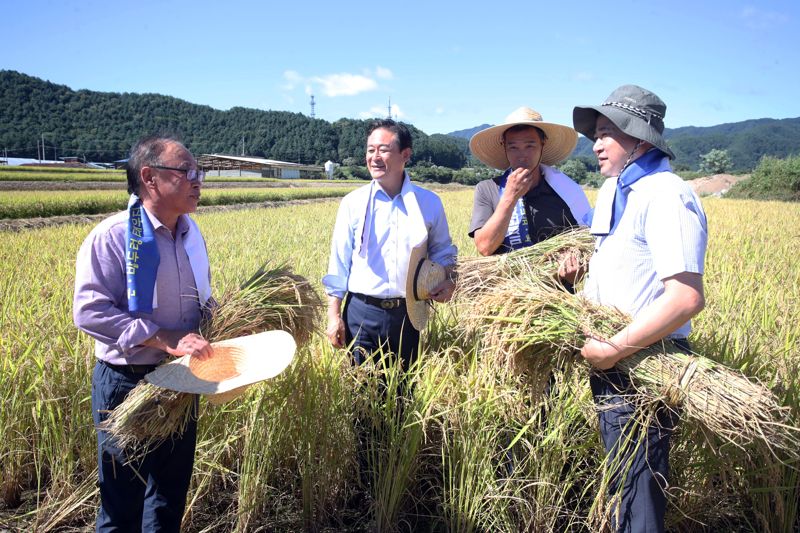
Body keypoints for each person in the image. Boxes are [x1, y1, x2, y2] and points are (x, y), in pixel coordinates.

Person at [572, 85, 708, 532]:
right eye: (596, 133)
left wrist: (613, 347)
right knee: (624, 485)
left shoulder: (667, 194)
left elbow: (686, 297)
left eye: (607, 132)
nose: (595, 144)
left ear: (640, 140)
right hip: (613, 363)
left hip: (643, 363)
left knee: (640, 491)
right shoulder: (614, 190)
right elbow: (619, 265)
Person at [73, 134, 215, 532]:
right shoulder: (115, 236)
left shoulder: (191, 234)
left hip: (182, 378)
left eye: (198, 172)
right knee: (122, 507)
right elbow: (89, 311)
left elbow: (202, 298)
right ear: (150, 177)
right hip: (128, 383)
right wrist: (162, 336)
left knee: (169, 499)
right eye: (186, 172)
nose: (197, 180)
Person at [323, 119, 457, 368]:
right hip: (361, 312)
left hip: (408, 313)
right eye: (370, 149)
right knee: (362, 396)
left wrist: (448, 281)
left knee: (403, 395)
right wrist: (334, 315)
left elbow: (443, 252)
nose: (374, 157)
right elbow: (338, 262)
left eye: (383, 150)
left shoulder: (428, 202)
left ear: (405, 154)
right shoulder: (353, 203)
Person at [467, 107, 591, 271]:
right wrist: (510, 197)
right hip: (503, 292)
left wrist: (574, 271)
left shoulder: (565, 192)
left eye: (530, 146)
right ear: (504, 147)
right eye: (513, 147)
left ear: (542, 144)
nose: (522, 156)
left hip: (555, 292)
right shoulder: (488, 189)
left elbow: (585, 246)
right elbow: (484, 247)